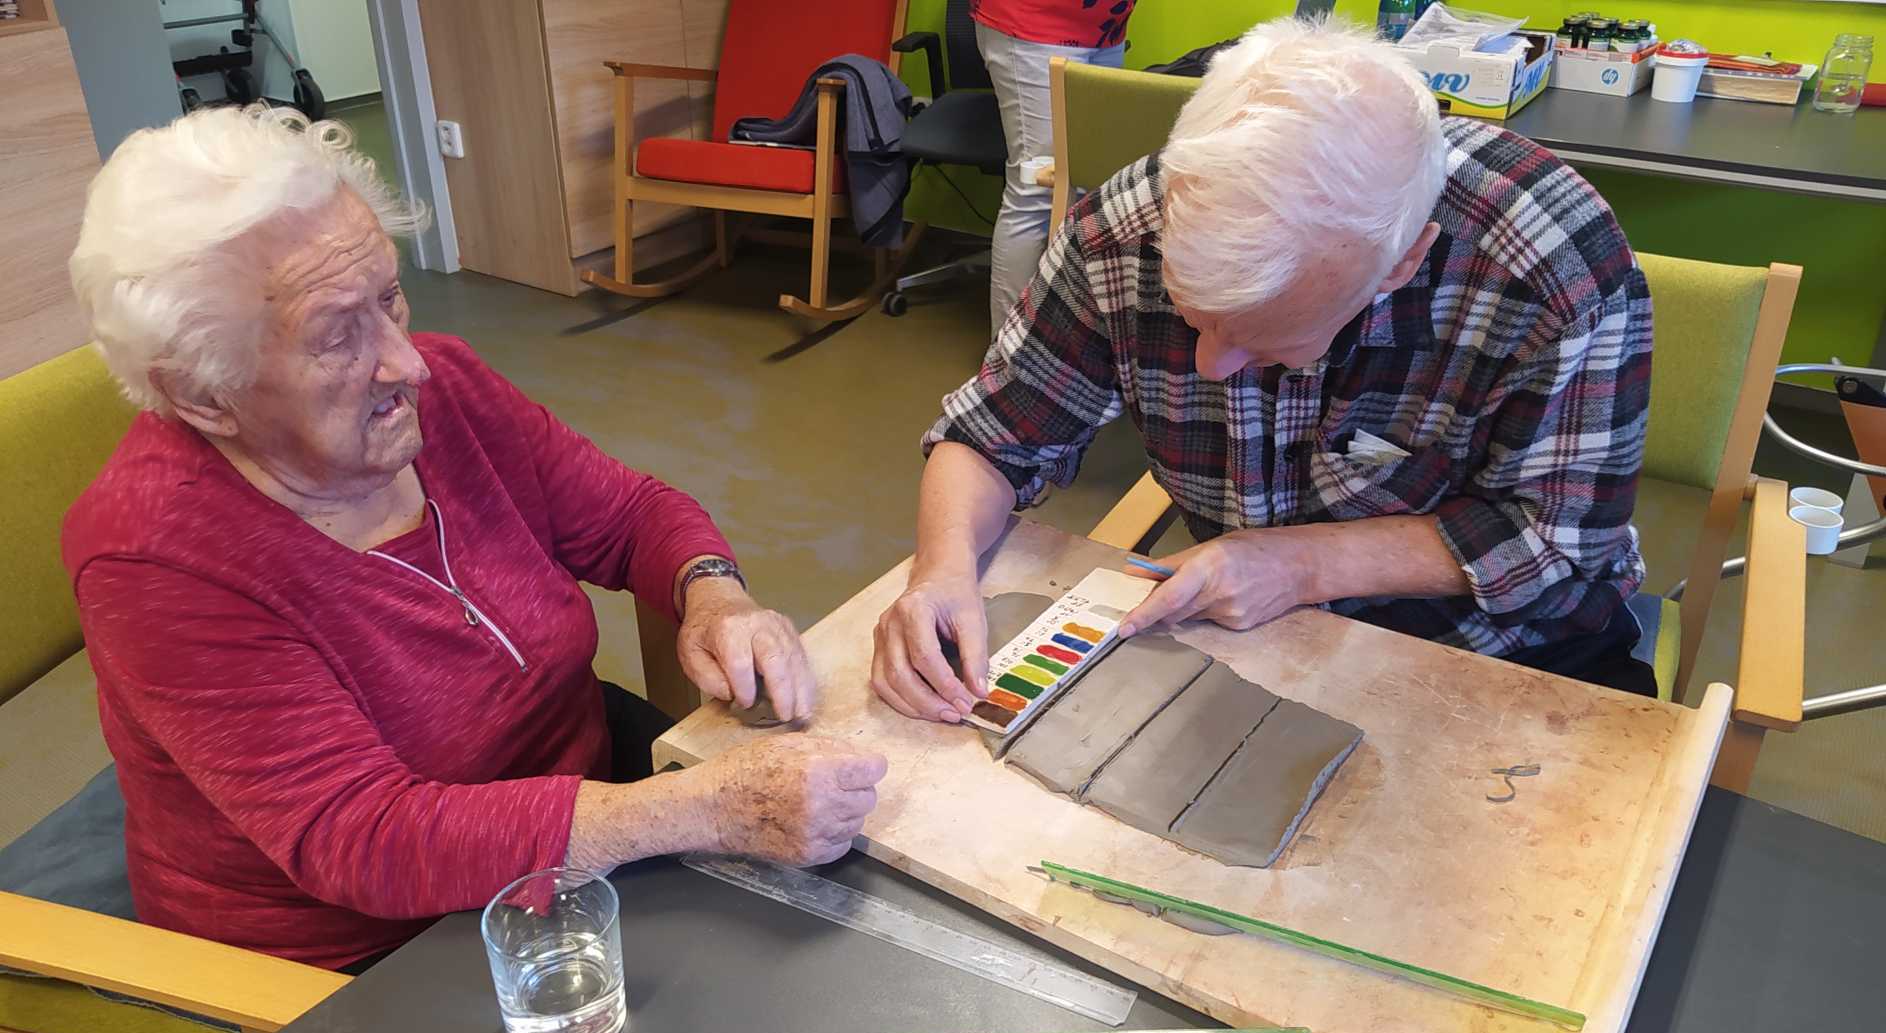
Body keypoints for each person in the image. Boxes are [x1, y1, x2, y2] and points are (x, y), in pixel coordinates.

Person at [63, 106, 885, 972]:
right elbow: (364, 839)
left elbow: (631, 513)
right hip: (381, 946)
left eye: (389, 297)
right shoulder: (154, 557)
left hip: (577, 802)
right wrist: (702, 810)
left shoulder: (443, 388)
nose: (407, 363)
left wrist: (715, 593)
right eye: (337, 335)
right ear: (202, 394)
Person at [872, 17, 1656, 724]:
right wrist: (939, 571)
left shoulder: (1550, 264)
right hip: (1248, 648)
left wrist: (1297, 564)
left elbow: (1560, 536)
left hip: (1498, 654)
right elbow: (993, 435)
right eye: (1191, 316)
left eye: (1267, 340)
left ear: (1399, 264)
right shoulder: (1125, 228)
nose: (1210, 363)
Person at [972, 0, 1137, 334]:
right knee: (1038, 189)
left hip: (1104, 31)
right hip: (1035, 27)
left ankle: (1060, 343)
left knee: (1087, 182)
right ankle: (1009, 353)